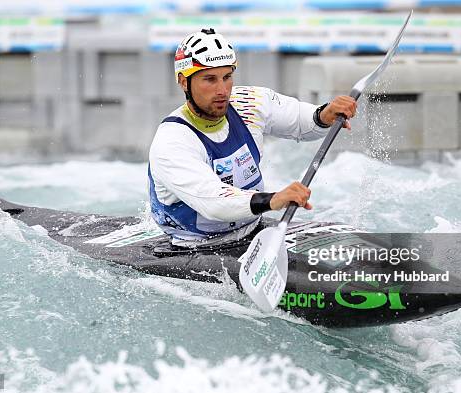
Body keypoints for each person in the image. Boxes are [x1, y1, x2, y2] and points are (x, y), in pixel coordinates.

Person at [148, 28, 356, 246]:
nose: (222, 90)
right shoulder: (172, 140)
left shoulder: (248, 103)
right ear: (183, 82)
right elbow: (214, 202)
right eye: (210, 79)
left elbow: (302, 122)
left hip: (254, 227)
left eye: (227, 77)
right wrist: (273, 200)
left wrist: (325, 114)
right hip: (195, 244)